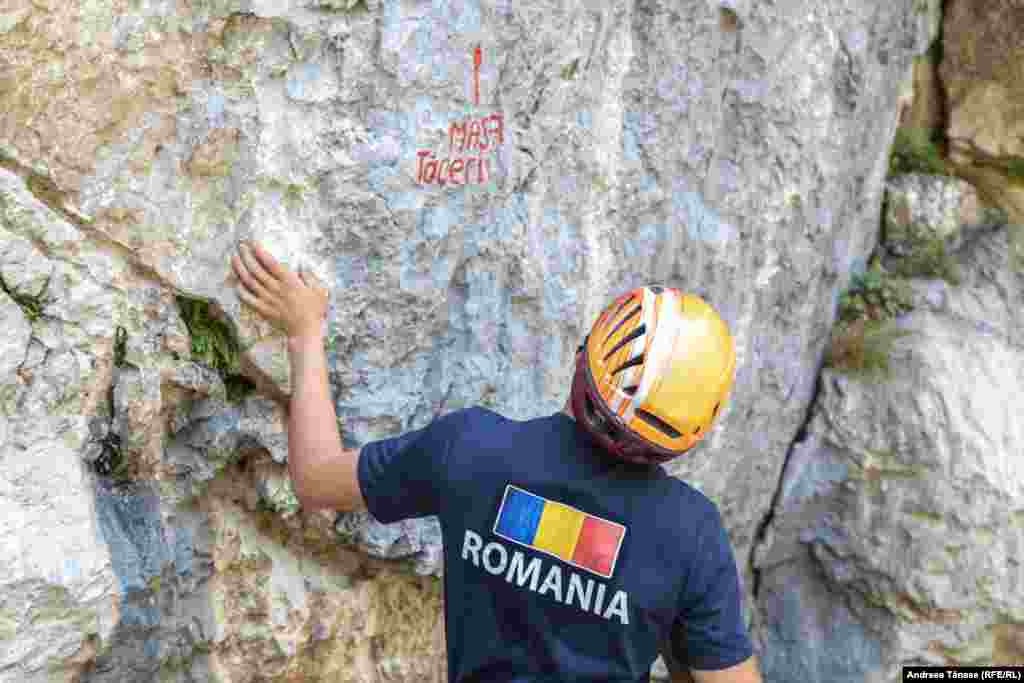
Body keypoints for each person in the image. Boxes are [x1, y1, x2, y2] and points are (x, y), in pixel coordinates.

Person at [231, 240, 763, 683]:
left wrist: (304, 332)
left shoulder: (470, 450)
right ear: (691, 433)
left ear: (584, 357)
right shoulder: (690, 536)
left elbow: (315, 478)